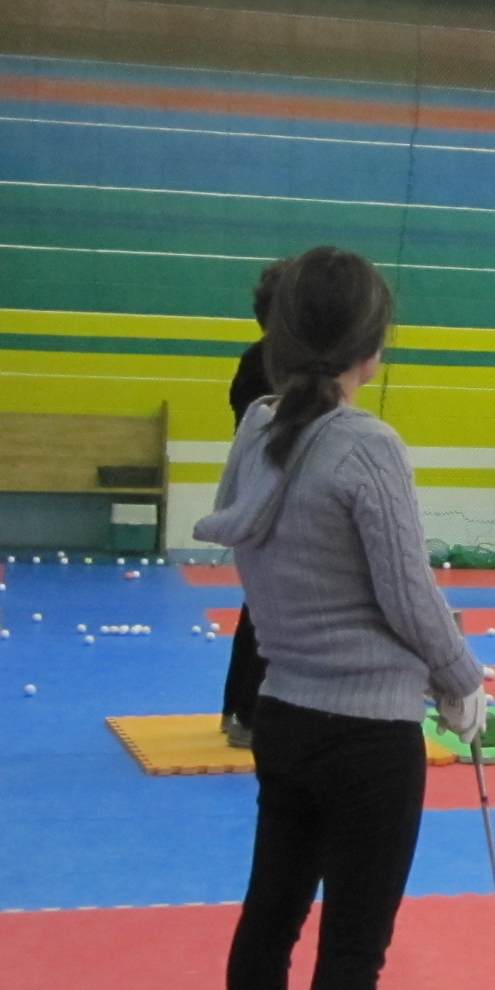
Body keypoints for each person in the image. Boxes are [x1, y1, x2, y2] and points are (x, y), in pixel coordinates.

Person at [195, 247, 489, 990]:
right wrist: (462, 681)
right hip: (366, 737)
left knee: (272, 913)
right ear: (370, 345)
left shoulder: (257, 426)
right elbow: (409, 592)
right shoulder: (365, 445)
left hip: (283, 716)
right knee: (352, 949)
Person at [221, 261, 283, 751]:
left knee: (260, 603)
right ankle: (248, 712)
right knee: (267, 606)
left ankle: (239, 711)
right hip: (270, 497)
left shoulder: (259, 360)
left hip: (261, 494)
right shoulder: (270, 367)